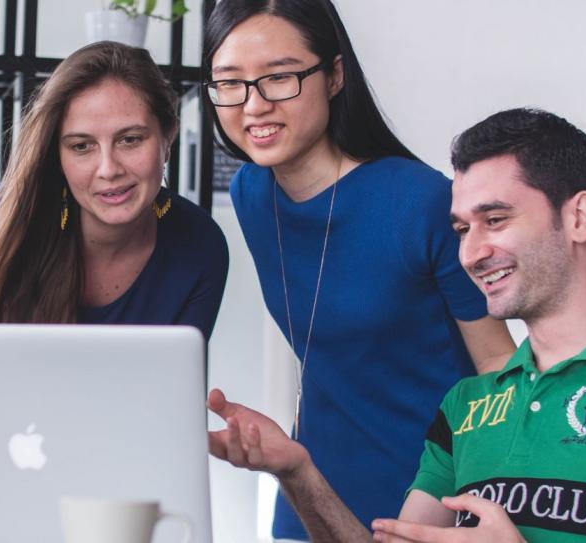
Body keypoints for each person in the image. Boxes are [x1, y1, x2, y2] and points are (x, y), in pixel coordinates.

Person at [208, 108, 586, 542]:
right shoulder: (464, 407)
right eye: (462, 228)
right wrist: (299, 471)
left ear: (579, 217)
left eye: (496, 220)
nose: (471, 252)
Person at [202, 0, 515, 537]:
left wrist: (481, 498)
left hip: (433, 496)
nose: (252, 106)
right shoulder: (251, 193)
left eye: (279, 78)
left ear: (335, 75)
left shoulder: (418, 202)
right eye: (230, 83)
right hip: (312, 492)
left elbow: (499, 368)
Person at [0, 41, 229, 338]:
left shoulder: (201, 245)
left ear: (167, 137)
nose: (108, 169)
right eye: (82, 146)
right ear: (57, 155)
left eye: (130, 139)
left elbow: (177, 380)